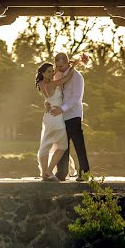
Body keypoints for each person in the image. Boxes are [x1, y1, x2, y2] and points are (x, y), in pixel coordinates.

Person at [49, 52, 90, 182]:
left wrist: (62, 109)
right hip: (61, 116)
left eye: (61, 66)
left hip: (74, 115)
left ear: (67, 63)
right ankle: (62, 173)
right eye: (57, 66)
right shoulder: (59, 75)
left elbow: (76, 98)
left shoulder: (77, 77)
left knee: (78, 144)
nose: (59, 68)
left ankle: (84, 173)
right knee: (62, 145)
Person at [35, 61, 78, 181]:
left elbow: (48, 98)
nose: (51, 73)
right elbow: (68, 77)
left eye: (52, 70)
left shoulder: (41, 83)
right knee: (63, 145)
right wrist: (73, 66)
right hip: (56, 117)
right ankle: (48, 171)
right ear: (43, 73)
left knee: (45, 145)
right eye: (48, 71)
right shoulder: (53, 84)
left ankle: (44, 174)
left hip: (48, 117)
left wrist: (46, 103)